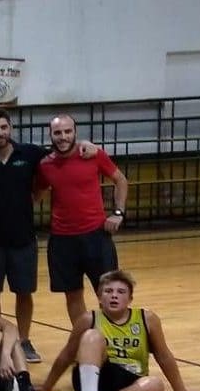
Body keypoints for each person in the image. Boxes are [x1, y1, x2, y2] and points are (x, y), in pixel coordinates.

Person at [0, 110, 99, 364]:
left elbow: (63, 150)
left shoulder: (30, 154)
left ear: (11, 128)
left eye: (4, 127)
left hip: (24, 239)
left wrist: (86, 145)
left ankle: (24, 340)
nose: (0, 133)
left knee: (24, 293)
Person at [39, 270, 200, 391]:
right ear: (99, 297)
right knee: (91, 336)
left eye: (121, 292)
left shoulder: (147, 319)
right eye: (108, 291)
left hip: (133, 385)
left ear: (130, 298)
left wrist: (181, 390)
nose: (114, 295)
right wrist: (47, 385)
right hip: (98, 379)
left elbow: (163, 355)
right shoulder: (89, 319)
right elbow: (67, 354)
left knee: (156, 385)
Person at [34, 115, 129, 326]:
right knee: (73, 295)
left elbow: (120, 180)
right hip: (62, 240)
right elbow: (36, 194)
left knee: (108, 292)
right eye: (58, 132)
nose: (63, 137)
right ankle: (84, 338)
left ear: (75, 132)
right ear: (50, 135)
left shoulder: (93, 155)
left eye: (68, 131)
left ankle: (110, 338)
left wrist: (118, 212)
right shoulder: (44, 165)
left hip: (96, 236)